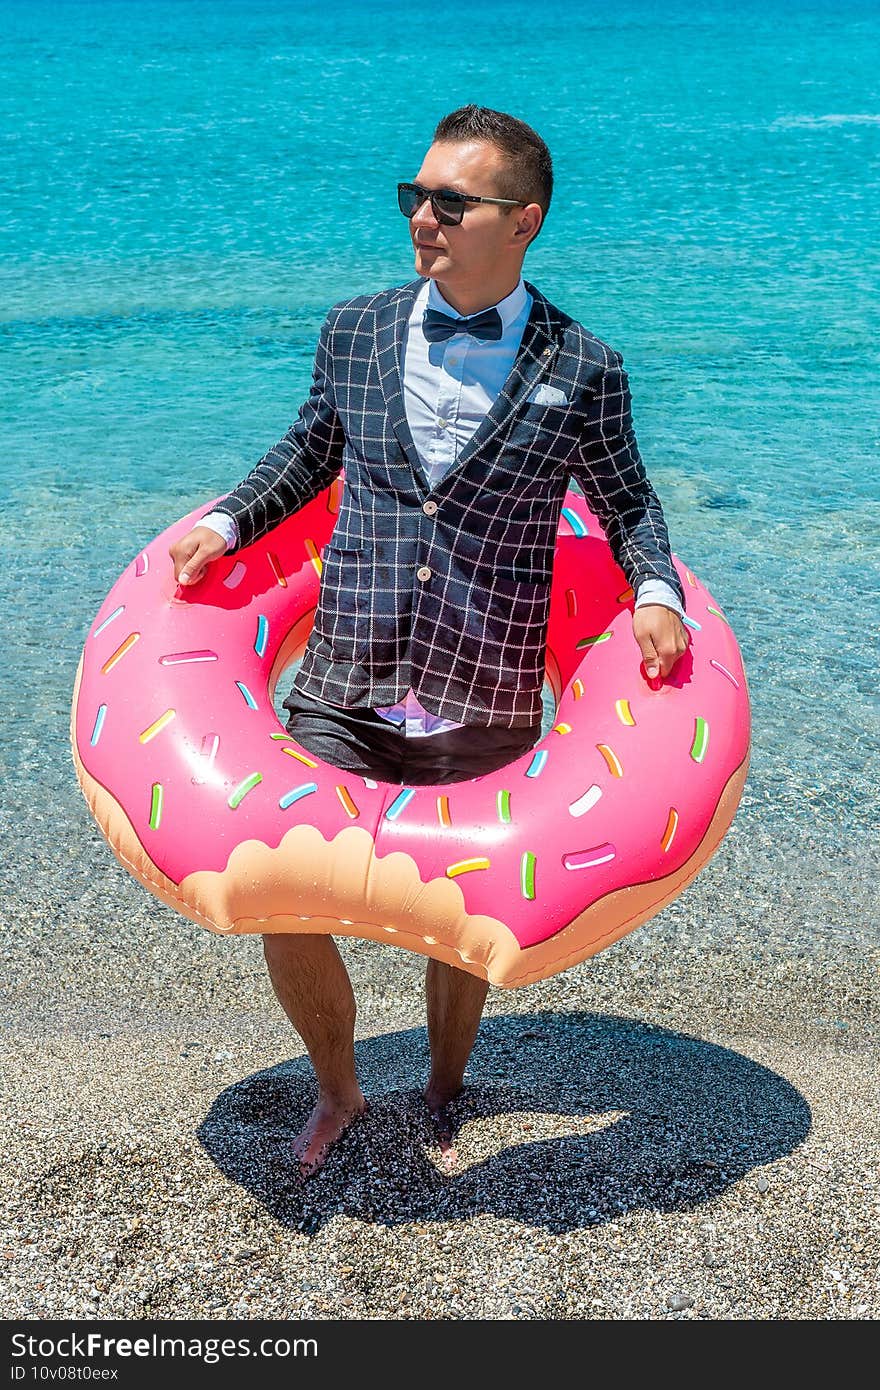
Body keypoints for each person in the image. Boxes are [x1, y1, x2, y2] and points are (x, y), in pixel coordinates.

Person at [169, 105, 689, 1176]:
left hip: (486, 680)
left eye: (452, 202)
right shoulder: (355, 327)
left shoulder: (584, 365)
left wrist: (654, 592)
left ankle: (447, 1082)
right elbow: (309, 450)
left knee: (460, 913)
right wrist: (225, 523)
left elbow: (628, 504)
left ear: (522, 221)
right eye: (416, 197)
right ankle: (337, 1087)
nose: (424, 219)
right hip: (345, 668)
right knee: (283, 890)